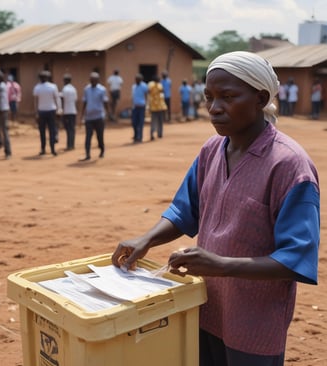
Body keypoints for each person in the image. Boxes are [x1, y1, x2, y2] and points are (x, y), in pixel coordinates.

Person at [112, 51, 320, 366]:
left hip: (254, 324)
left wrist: (220, 264)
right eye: (209, 97)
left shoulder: (290, 166)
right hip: (204, 309)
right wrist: (146, 239)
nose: (213, 108)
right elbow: (185, 210)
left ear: (260, 98)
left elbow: (295, 260)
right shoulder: (211, 150)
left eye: (227, 97)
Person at [79, 72, 109, 161]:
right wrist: (82, 114)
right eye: (91, 80)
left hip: (99, 117)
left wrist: (108, 113)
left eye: (94, 80)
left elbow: (105, 102)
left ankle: (102, 150)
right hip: (89, 117)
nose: (93, 82)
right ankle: (87, 154)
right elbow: (85, 102)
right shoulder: (86, 89)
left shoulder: (102, 89)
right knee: (88, 136)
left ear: (98, 80)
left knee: (100, 136)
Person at [33, 70, 62, 156]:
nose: (42, 79)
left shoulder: (51, 87)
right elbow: (36, 101)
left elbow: (57, 98)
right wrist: (59, 109)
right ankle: (46, 149)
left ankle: (50, 149)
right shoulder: (39, 87)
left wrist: (59, 109)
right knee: (46, 131)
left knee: (49, 131)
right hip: (45, 111)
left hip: (48, 111)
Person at [0, 70, 12, 159]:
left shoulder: (2, 86)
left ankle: (8, 151)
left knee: (4, 131)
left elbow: (1, 99)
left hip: (3, 110)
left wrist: (0, 108)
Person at [60, 73, 78, 150]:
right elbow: (75, 100)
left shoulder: (65, 89)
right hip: (73, 111)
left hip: (67, 112)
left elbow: (62, 100)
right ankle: (72, 145)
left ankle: (69, 145)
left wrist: (61, 110)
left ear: (66, 80)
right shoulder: (74, 89)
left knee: (68, 129)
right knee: (72, 129)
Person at [148, 75, 167, 141]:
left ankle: (157, 133)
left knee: (157, 121)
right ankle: (155, 134)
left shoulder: (158, 85)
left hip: (158, 106)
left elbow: (162, 96)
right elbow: (150, 93)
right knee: (157, 121)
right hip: (156, 107)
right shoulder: (153, 85)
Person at [131, 73, 148, 143]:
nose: (137, 80)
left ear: (141, 80)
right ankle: (135, 136)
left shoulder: (144, 86)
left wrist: (146, 104)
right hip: (135, 107)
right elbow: (133, 96)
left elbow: (146, 95)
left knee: (141, 123)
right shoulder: (133, 86)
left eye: (138, 79)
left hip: (141, 106)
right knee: (134, 122)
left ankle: (140, 137)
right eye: (136, 79)